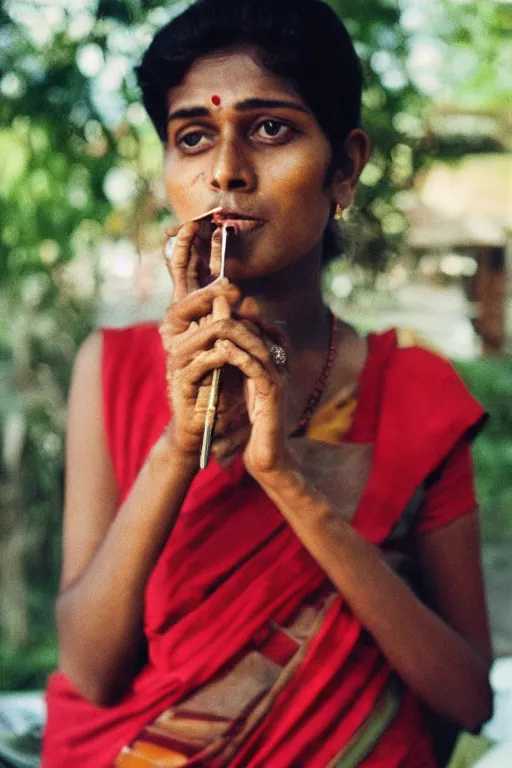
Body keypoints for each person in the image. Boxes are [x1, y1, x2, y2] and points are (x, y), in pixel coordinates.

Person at [42, 0, 493, 765]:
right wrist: (179, 444)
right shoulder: (112, 366)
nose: (225, 170)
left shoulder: (414, 393)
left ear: (345, 167)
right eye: (193, 138)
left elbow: (469, 698)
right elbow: (92, 671)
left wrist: (287, 479)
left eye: (270, 128)